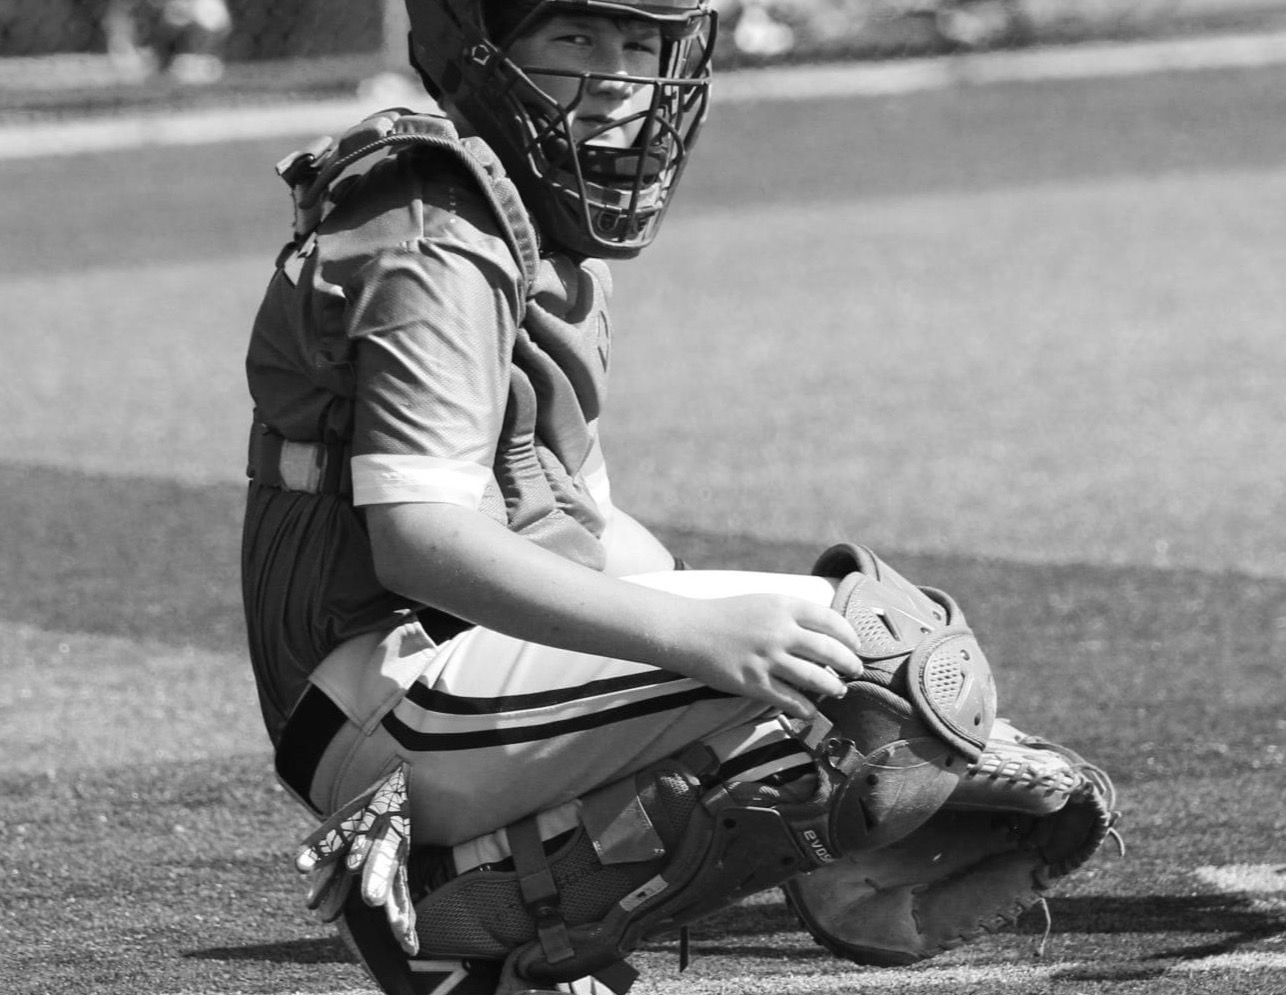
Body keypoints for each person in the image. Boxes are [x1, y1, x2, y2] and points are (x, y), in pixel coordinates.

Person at [241, 2, 1117, 994]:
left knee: (845, 650)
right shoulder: (436, 236)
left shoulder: (526, 218)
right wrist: (701, 642)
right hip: (381, 699)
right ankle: (452, 904)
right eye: (576, 38)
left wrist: (759, 666)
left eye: (640, 43)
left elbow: (584, 531)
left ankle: (536, 917)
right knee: (874, 659)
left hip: (443, 674)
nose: (620, 76)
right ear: (478, 46)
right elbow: (420, 541)